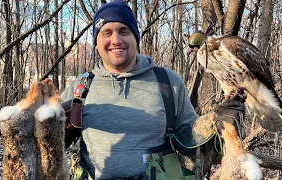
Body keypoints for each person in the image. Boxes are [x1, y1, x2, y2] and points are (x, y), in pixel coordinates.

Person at [60, 0, 245, 179]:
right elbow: (53, 141)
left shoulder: (167, 82)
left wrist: (213, 121)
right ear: (97, 41)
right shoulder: (81, 87)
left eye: (124, 31)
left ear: (135, 37)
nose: (116, 40)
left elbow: (188, 139)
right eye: (106, 33)